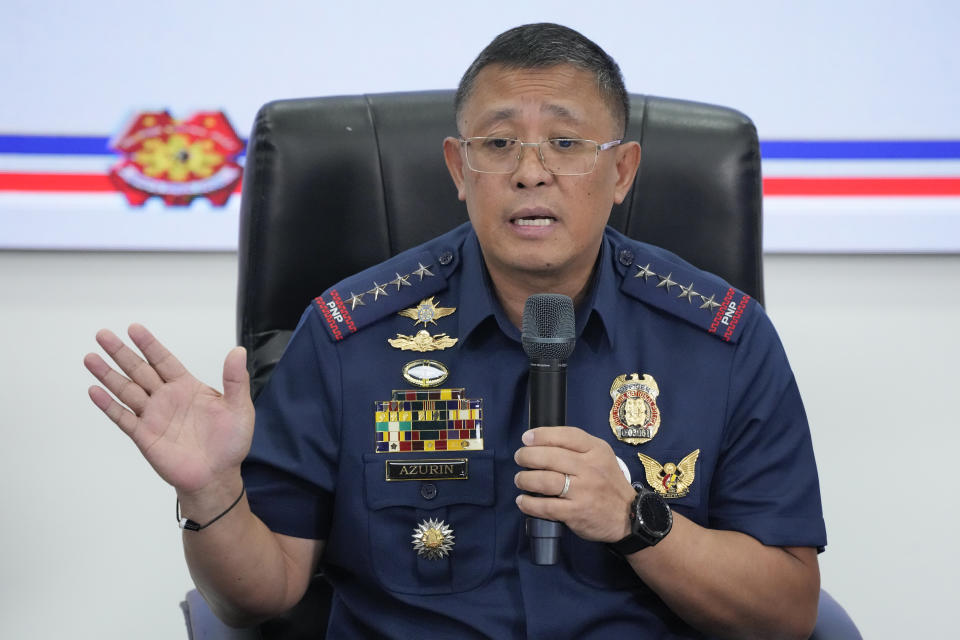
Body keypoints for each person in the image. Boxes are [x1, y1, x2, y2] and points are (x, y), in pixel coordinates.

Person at [85, 23, 826, 639]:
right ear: (458, 167)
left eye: (567, 145)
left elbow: (790, 612)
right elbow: (263, 592)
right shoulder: (351, 333)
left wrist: (637, 519)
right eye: (498, 145)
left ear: (624, 171)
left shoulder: (721, 339)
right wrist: (212, 493)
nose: (531, 172)